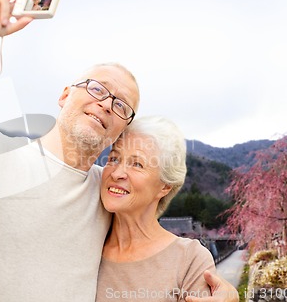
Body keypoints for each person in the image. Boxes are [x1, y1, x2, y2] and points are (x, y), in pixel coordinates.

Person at [0, 0, 238, 302]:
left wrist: (230, 296)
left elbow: (153, 241)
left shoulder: (105, 194)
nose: (105, 103)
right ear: (64, 94)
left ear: (121, 130)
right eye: (97, 88)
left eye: (121, 105)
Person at [96, 116, 225, 301]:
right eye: (114, 158)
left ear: (164, 186)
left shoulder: (189, 260)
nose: (116, 173)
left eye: (137, 164)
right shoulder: (87, 245)